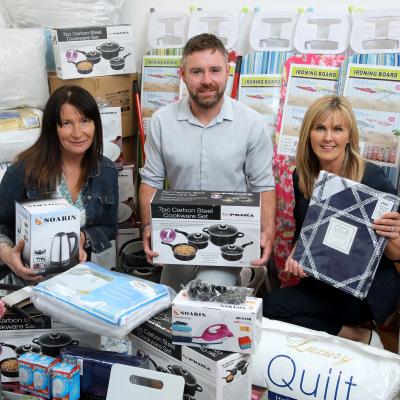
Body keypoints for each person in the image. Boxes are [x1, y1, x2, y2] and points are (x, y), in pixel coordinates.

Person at [139, 33, 276, 292]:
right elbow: (151, 181)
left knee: (204, 296)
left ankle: (243, 273)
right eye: (197, 72)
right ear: (183, 74)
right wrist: (148, 225)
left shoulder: (251, 123)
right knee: (168, 302)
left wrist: (267, 230)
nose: (207, 81)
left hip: (229, 240)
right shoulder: (161, 121)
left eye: (215, 70)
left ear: (228, 72)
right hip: (182, 232)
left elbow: (263, 185)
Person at [263, 95, 400, 346]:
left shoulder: (372, 178)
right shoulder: (302, 176)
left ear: (349, 136)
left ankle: (363, 337)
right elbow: (304, 232)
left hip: (363, 291)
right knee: (272, 308)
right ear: (309, 134)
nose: (328, 138)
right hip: (323, 281)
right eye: (320, 128)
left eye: (337, 129)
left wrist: (395, 236)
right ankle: (350, 336)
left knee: (273, 308)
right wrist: (298, 252)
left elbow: (394, 254)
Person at [0, 85, 119, 285]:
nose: (78, 133)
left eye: (85, 121)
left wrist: (81, 238)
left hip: (83, 280)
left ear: (95, 124)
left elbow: (108, 227)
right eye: (66, 123)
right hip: (31, 283)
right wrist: (6, 254)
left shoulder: (106, 170)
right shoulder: (23, 170)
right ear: (52, 128)